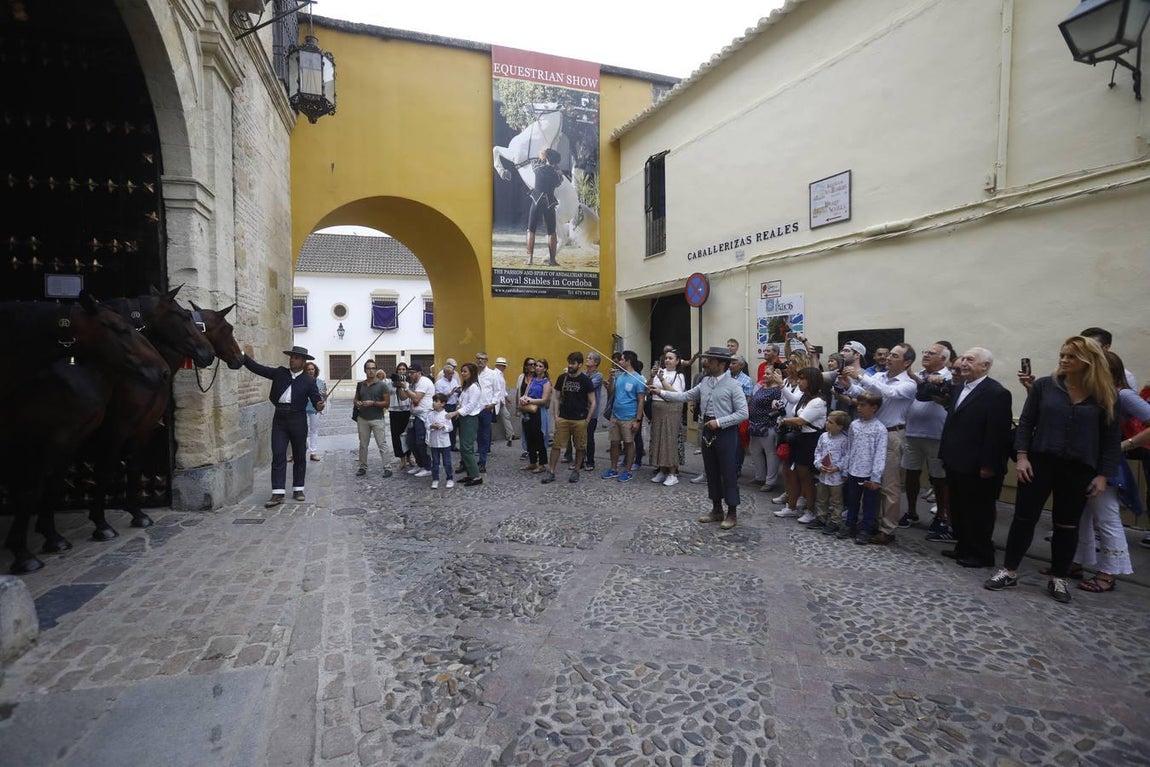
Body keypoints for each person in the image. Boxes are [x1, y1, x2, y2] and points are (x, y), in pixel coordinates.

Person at [985, 336, 1121, 605]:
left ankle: (1059, 577)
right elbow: (1026, 423)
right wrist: (1022, 457)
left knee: (1067, 526)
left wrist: (1103, 475)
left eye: (1071, 356)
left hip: (1079, 468)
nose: (1063, 360)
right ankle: (1009, 571)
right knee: (1024, 518)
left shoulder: (1105, 394)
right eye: (1062, 355)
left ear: (1088, 361)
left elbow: (1110, 439)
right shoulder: (1046, 386)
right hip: (1039, 462)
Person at [1070, 351, 1150, 592]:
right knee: (1081, 514)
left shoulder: (1121, 394)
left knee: (1106, 516)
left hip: (1106, 464)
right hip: (1083, 461)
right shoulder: (1091, 392)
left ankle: (1109, 572)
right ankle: (1076, 562)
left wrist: (1127, 444)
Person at [653, 346, 748, 528]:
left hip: (726, 431)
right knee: (711, 471)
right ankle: (716, 509)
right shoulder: (705, 381)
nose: (706, 362)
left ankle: (732, 513)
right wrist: (661, 392)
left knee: (727, 472)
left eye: (710, 360)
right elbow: (685, 395)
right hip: (707, 430)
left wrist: (719, 422)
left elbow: (743, 413)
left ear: (721, 364)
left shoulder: (734, 385)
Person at [934, 347, 1013, 568]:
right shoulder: (960, 389)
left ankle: (982, 554)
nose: (963, 363)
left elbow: (997, 434)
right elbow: (952, 425)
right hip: (956, 460)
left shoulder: (997, 393)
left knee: (978, 511)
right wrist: (945, 454)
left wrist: (989, 465)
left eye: (970, 360)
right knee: (959, 507)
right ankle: (964, 546)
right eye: (964, 358)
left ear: (985, 366)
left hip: (979, 465)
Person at [840, 343, 917, 544]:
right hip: (866, 431)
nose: (888, 358)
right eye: (889, 354)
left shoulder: (908, 384)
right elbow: (864, 394)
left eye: (894, 355)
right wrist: (849, 386)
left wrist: (860, 376)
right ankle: (868, 522)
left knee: (888, 485)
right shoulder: (879, 376)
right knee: (865, 481)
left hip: (891, 434)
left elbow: (887, 394)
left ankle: (887, 529)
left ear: (907, 362)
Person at [241, 345, 325, 507]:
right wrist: (243, 356)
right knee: (278, 454)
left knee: (300, 455)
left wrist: (319, 405)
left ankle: (298, 489)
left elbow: (316, 402)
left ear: (303, 361)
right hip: (279, 418)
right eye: (291, 357)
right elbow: (258, 368)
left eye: (296, 358)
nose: (292, 360)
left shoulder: (309, 381)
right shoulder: (280, 373)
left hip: (298, 419)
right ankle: (277, 493)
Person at [899, 343, 952, 531]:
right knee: (911, 474)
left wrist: (926, 381)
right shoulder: (917, 375)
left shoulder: (948, 376)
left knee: (939, 478)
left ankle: (941, 515)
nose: (926, 355)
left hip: (937, 434)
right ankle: (911, 512)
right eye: (925, 352)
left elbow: (943, 398)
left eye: (932, 353)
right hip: (913, 432)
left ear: (944, 359)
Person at [777, 367, 828, 524]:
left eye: (802, 379)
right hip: (798, 438)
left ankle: (811, 510)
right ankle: (791, 507)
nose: (799, 381)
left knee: (805, 476)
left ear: (811, 381)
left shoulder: (818, 401)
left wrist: (783, 420)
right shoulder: (804, 397)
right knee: (789, 471)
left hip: (809, 439)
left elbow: (801, 420)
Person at [542, 351, 596, 484]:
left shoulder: (585, 380)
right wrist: (555, 415)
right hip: (563, 418)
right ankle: (551, 471)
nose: (570, 366)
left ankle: (576, 471)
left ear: (580, 364)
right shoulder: (562, 378)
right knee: (556, 445)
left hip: (580, 419)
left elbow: (593, 401)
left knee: (580, 447)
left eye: (573, 363)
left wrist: (587, 420)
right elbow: (556, 397)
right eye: (569, 363)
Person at [602, 350, 646, 483]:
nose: (618, 362)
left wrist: (637, 420)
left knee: (629, 444)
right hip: (615, 416)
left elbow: (641, 400)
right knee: (614, 443)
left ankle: (627, 471)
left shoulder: (638, 379)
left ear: (628, 361)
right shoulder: (619, 376)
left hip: (629, 417)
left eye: (621, 360)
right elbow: (611, 393)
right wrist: (610, 380)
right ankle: (613, 469)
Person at [648, 348, 686, 486]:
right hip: (657, 409)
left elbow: (676, 393)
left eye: (671, 358)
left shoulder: (679, 375)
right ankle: (662, 469)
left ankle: (672, 472)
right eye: (666, 358)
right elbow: (648, 386)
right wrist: (652, 376)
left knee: (669, 440)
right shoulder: (659, 372)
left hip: (671, 410)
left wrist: (662, 380)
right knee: (658, 439)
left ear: (677, 361)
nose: (667, 360)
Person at [746, 364, 784, 493]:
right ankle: (759, 477)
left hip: (767, 426)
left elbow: (779, 407)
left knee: (770, 454)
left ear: (775, 375)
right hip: (754, 425)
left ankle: (770, 481)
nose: (764, 376)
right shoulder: (762, 387)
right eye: (764, 373)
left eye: (768, 374)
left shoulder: (777, 390)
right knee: (755, 452)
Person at [354, 360, 393, 478]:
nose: (371, 370)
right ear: (365, 370)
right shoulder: (360, 385)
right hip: (363, 419)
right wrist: (358, 403)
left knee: (382, 444)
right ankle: (362, 467)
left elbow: (387, 403)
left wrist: (373, 403)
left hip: (377, 418)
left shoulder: (382, 385)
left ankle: (387, 467)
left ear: (376, 370)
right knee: (363, 445)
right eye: (368, 368)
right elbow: (355, 400)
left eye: (373, 368)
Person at [813, 411, 851, 534]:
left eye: (831, 422)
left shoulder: (844, 440)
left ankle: (835, 521)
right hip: (823, 474)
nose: (827, 424)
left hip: (836, 477)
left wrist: (838, 467)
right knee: (821, 497)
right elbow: (818, 451)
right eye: (827, 421)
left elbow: (846, 456)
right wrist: (818, 464)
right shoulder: (823, 436)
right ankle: (821, 517)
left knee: (836, 500)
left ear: (840, 426)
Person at [526, 148, 563, 267]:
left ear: (546, 158)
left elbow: (532, 161)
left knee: (531, 230)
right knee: (551, 232)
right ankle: (552, 260)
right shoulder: (556, 175)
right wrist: (558, 170)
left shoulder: (537, 168)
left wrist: (543, 156)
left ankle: (529, 259)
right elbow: (559, 183)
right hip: (549, 203)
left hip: (536, 201)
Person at [401, 362, 435, 478]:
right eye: (409, 373)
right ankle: (420, 464)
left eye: (412, 373)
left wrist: (406, 387)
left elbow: (416, 397)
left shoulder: (424, 381)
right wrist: (400, 387)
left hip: (423, 416)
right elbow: (403, 397)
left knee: (421, 442)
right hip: (414, 416)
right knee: (411, 442)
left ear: (419, 373)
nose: (409, 375)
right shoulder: (413, 383)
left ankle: (427, 467)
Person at [453, 362, 485, 486]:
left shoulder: (474, 387)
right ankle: (470, 474)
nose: (462, 373)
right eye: (462, 371)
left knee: (466, 447)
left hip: (470, 419)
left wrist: (457, 412)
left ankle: (476, 476)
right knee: (465, 447)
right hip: (463, 418)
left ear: (471, 373)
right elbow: (462, 401)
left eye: (465, 371)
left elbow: (471, 405)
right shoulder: (467, 386)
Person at [519, 358, 552, 472]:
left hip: (538, 412)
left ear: (545, 369)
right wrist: (523, 399)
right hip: (528, 412)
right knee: (529, 437)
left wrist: (530, 401)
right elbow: (526, 393)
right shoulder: (532, 380)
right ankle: (532, 462)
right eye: (537, 365)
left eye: (540, 366)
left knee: (539, 438)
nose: (537, 368)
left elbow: (544, 400)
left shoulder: (546, 382)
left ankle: (542, 464)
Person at [475, 351, 503, 473]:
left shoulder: (492, 374)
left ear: (487, 360)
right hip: (473, 409)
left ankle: (482, 461)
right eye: (479, 359)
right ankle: (466, 461)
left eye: (483, 359)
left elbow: (497, 391)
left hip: (486, 409)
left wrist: (493, 403)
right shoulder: (473, 373)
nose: (480, 361)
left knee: (484, 436)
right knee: (471, 436)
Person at [388, 362, 414, 469]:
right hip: (394, 412)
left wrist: (404, 386)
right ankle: (402, 459)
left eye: (404, 369)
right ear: (396, 371)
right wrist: (396, 385)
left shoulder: (409, 383)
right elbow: (388, 391)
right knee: (396, 436)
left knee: (408, 435)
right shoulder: (391, 382)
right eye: (399, 369)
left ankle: (409, 457)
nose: (401, 371)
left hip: (407, 411)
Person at [583, 352, 606, 472]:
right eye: (587, 357)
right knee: (579, 437)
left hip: (592, 411)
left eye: (590, 358)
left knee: (589, 437)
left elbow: (587, 386)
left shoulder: (598, 376)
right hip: (581, 410)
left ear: (596, 363)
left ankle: (590, 461)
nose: (587, 359)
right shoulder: (582, 374)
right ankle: (580, 460)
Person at [426, 393, 454, 489]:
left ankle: (449, 478)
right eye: (433, 401)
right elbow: (427, 425)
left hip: (445, 443)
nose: (434, 403)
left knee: (447, 462)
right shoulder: (430, 414)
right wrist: (432, 426)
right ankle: (435, 479)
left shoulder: (446, 415)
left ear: (443, 403)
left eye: (436, 401)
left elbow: (450, 428)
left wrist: (443, 427)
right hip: (434, 443)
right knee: (435, 462)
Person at [434, 358, 461, 451]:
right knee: (443, 425)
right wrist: (450, 393)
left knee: (453, 427)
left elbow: (457, 392)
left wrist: (458, 391)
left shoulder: (454, 381)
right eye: (449, 373)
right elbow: (438, 397)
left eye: (452, 373)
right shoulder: (439, 383)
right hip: (445, 406)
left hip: (454, 405)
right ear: (444, 373)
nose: (451, 375)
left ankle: (452, 445)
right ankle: (443, 445)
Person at [304, 361, 326, 462]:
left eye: (312, 369)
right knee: (300, 431)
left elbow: (325, 396)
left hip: (314, 409)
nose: (310, 371)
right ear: (305, 371)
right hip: (302, 409)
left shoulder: (321, 382)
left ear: (315, 370)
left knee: (314, 430)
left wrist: (323, 395)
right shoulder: (301, 381)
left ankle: (313, 452)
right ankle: (301, 449)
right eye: (308, 369)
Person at [515, 357, 536, 459]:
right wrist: (516, 408)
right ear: (526, 366)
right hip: (523, 407)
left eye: (534, 364)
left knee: (535, 429)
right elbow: (518, 392)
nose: (532, 366)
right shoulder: (521, 377)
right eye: (530, 364)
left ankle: (535, 450)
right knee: (525, 429)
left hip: (535, 407)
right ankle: (527, 449)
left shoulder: (538, 377)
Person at [494, 357, 515, 446]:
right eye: (503, 366)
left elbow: (502, 389)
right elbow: (497, 388)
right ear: (499, 366)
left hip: (500, 401)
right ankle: (510, 434)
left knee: (506, 416)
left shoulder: (499, 374)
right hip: (496, 401)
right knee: (490, 420)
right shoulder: (495, 374)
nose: (504, 367)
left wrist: (506, 397)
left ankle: (510, 434)